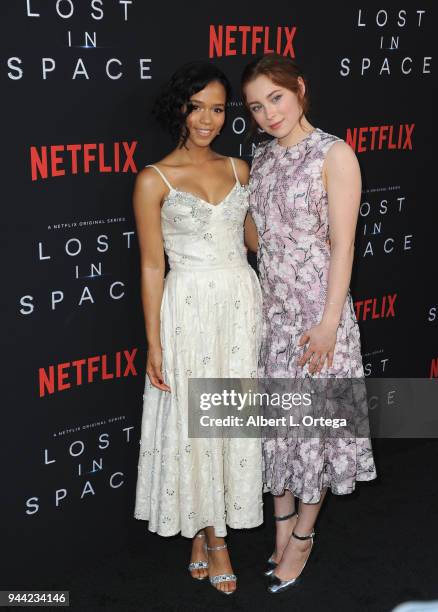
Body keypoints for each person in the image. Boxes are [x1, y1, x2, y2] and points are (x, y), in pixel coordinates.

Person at [241, 54, 377, 594]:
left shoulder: (334, 153)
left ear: (299, 88)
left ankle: (302, 537)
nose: (268, 113)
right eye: (255, 106)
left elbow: (345, 245)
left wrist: (327, 324)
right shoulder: (262, 158)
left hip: (320, 317)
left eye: (276, 97)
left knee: (315, 429)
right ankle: (280, 526)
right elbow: (259, 238)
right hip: (273, 315)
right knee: (281, 427)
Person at [133, 61, 263, 595]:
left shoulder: (240, 169)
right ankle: (216, 540)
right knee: (198, 426)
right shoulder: (153, 179)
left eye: (217, 108)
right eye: (197, 107)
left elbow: (259, 243)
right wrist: (153, 342)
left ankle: (202, 530)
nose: (207, 119)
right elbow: (151, 266)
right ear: (179, 109)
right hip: (186, 308)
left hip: (239, 304)